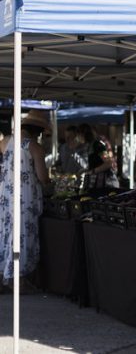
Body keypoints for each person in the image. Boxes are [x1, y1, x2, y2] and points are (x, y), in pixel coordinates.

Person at [0, 110, 51, 290]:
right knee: (22, 236)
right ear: (36, 130)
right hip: (25, 199)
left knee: (6, 234)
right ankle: (18, 280)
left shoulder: (5, 142)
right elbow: (43, 177)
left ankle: (4, 276)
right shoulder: (34, 147)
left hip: (6, 196)